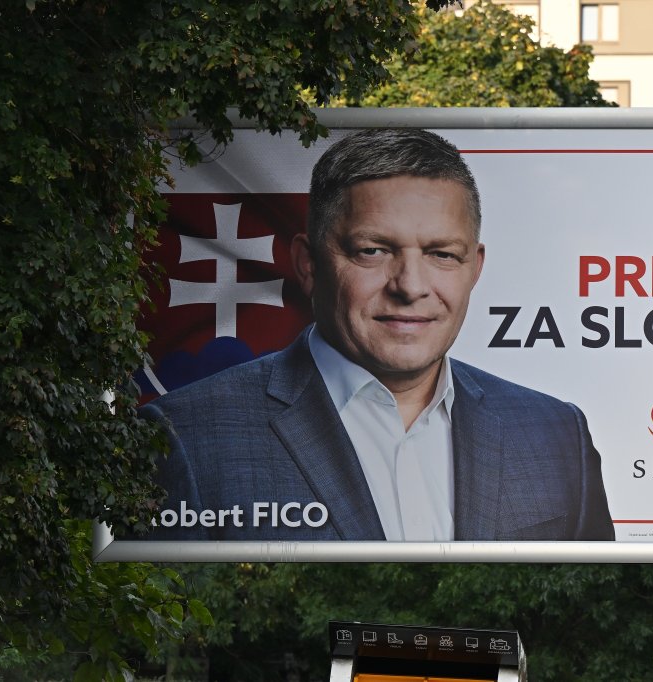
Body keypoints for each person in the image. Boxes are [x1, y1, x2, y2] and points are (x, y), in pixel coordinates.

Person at [143, 128, 614, 541]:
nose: (410, 286)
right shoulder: (183, 438)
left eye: (443, 255)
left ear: (475, 267)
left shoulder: (556, 435)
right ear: (308, 264)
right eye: (372, 250)